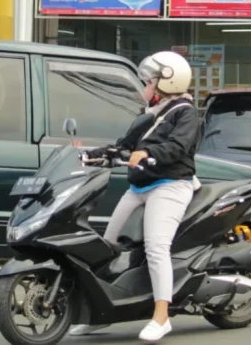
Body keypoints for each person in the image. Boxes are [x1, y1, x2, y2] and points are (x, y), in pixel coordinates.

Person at [70, 51, 200, 342]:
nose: (146, 86)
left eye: (150, 81)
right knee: (106, 244)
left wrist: (149, 153)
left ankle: (161, 316)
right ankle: (97, 314)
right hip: (139, 187)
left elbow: (178, 147)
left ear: (167, 82)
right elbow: (124, 146)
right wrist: (94, 154)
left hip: (170, 185)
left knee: (156, 247)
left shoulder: (186, 113)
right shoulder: (149, 116)